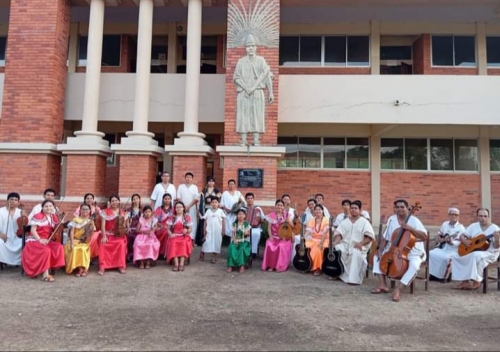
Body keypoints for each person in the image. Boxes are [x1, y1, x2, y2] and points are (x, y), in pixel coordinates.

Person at [371, 199, 427, 302]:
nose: (400, 209)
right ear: (395, 209)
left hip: (413, 251)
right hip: (395, 249)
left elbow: (424, 237)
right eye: (397, 207)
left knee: (414, 265)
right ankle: (383, 284)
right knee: (376, 257)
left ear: (407, 208)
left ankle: (398, 289)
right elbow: (386, 237)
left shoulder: (414, 220)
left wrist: (410, 228)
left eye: (402, 207)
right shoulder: (392, 219)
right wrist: (380, 250)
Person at [233, 34, 274, 147]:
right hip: (244, 93)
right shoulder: (241, 62)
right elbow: (236, 78)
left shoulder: (261, 61)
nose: (250, 48)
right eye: (248, 46)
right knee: (243, 115)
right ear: (245, 48)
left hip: (257, 92)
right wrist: (247, 88)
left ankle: (256, 140)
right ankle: (243, 140)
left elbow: (267, 76)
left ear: (256, 47)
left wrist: (270, 92)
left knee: (257, 114)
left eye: (252, 46)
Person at [452, 208, 500, 290]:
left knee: (475, 255)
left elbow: (496, 246)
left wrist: (497, 239)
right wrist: (465, 241)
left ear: (488, 217)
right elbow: (462, 235)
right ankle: (465, 281)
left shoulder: (495, 229)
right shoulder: (473, 226)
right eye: (481, 216)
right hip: (474, 250)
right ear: (477, 216)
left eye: (485, 216)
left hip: (490, 252)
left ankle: (477, 280)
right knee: (456, 256)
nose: (483, 218)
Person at [332, 200, 375, 285]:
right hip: (345, 245)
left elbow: (369, 237)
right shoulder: (345, 221)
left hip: (359, 245)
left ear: (360, 210)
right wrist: (334, 244)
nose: (353, 210)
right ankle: (338, 273)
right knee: (337, 249)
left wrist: (361, 243)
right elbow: (339, 235)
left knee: (355, 252)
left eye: (355, 208)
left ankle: (353, 279)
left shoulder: (364, 222)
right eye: (351, 208)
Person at [22, 200, 65, 282]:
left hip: (46, 240)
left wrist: (60, 223)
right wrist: (40, 239)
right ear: (42, 207)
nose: (48, 208)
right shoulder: (38, 216)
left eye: (50, 206)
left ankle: (51, 267)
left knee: (59, 247)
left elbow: (55, 230)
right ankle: (45, 274)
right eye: (46, 206)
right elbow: (33, 230)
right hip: (35, 240)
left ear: (53, 207)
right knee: (46, 250)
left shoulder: (54, 216)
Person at [428, 208, 465, 281]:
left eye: (456, 215)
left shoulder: (461, 228)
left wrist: (451, 242)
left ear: (458, 216)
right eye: (452, 214)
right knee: (431, 253)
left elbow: (460, 242)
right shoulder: (445, 224)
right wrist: (438, 238)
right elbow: (440, 233)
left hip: (454, 250)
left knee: (446, 258)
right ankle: (433, 274)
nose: (454, 216)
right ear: (449, 215)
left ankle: (444, 277)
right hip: (444, 248)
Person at [98, 195, 128, 276]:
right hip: (107, 234)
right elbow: (102, 226)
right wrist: (104, 236)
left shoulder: (122, 212)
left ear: (119, 201)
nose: (114, 202)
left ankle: (120, 265)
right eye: (112, 201)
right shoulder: (105, 212)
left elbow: (124, 226)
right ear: (110, 203)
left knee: (121, 244)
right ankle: (103, 266)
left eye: (116, 200)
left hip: (118, 235)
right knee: (103, 244)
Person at [261, 199, 294, 272]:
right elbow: (269, 228)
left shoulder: (286, 215)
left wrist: (288, 221)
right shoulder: (271, 215)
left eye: (281, 205)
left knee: (281, 246)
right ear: (275, 206)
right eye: (278, 205)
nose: (279, 206)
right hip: (274, 236)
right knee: (269, 244)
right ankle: (271, 265)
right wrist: (271, 236)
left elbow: (292, 226)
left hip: (284, 237)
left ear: (283, 207)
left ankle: (279, 266)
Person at [65, 203, 95, 277]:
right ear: (80, 210)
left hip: (84, 241)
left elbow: (90, 234)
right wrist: (72, 242)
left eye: (87, 209)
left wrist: (87, 240)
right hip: (74, 240)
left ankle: (85, 268)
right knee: (75, 248)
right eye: (83, 209)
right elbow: (71, 232)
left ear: (89, 211)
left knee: (83, 249)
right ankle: (80, 268)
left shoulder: (90, 221)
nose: (85, 210)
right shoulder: (75, 219)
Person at [73, 193, 101, 259]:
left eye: (91, 198)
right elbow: (76, 219)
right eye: (87, 198)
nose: (89, 200)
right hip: (82, 229)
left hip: (94, 229)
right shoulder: (80, 208)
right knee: (88, 238)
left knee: (94, 237)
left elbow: (101, 219)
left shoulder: (97, 208)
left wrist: (97, 214)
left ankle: (90, 256)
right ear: (85, 200)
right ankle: (86, 256)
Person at [166, 201, 193, 272]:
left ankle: (181, 263)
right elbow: (168, 229)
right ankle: (176, 263)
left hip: (184, 236)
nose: (179, 209)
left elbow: (190, 229)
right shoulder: (172, 217)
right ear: (174, 209)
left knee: (184, 243)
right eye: (177, 207)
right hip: (174, 235)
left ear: (183, 208)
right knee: (173, 242)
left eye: (180, 207)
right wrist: (171, 234)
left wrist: (187, 231)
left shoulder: (186, 217)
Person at [305, 204, 330, 276]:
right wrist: (303, 237)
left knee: (318, 249)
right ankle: (307, 266)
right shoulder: (312, 220)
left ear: (322, 211)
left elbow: (325, 233)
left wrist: (321, 243)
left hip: (324, 240)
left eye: (319, 209)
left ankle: (318, 268)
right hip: (313, 239)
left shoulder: (326, 220)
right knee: (305, 246)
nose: (318, 211)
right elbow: (308, 231)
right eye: (316, 209)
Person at [197, 176, 221, 247]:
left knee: (212, 224)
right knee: (204, 224)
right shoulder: (204, 190)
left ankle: (213, 241)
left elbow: (219, 200)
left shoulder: (217, 191)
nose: (211, 183)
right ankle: (202, 240)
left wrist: (213, 201)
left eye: (212, 181)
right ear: (207, 182)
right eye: (209, 181)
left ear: (214, 183)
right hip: (205, 209)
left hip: (213, 209)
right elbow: (200, 200)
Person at [200, 197, 226, 264]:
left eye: (216, 202)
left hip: (218, 230)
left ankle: (214, 256)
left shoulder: (221, 211)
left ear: (218, 203)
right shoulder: (208, 211)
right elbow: (205, 221)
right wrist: (204, 229)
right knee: (207, 242)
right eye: (213, 202)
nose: (214, 204)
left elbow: (223, 220)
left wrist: (223, 229)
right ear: (210, 203)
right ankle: (202, 252)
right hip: (209, 229)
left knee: (216, 243)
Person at [0, 192, 23, 266]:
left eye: (16, 200)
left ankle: (19, 263)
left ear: (18, 202)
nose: (13, 201)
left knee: (24, 242)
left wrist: (24, 217)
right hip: (4, 237)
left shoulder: (20, 212)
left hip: (16, 238)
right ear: (7, 201)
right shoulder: (1, 211)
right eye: (11, 199)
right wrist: (0, 234)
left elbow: (25, 227)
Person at [226, 208, 251, 274]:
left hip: (244, 241)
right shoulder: (234, 224)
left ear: (245, 216)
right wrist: (234, 240)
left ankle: (241, 265)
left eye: (242, 214)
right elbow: (233, 234)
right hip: (236, 240)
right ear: (237, 215)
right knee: (232, 247)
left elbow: (248, 234)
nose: (241, 216)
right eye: (239, 214)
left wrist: (246, 233)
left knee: (242, 248)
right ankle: (230, 265)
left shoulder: (246, 224)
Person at [177, 172, 199, 243]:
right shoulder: (181, 186)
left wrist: (188, 206)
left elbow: (196, 198)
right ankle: (182, 237)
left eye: (190, 177)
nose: (188, 178)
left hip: (191, 208)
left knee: (192, 222)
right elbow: (178, 197)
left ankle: (191, 239)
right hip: (181, 208)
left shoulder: (195, 187)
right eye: (187, 177)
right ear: (185, 178)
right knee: (182, 221)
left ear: (192, 179)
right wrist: (183, 206)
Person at [154, 193, 174, 257]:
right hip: (160, 226)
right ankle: (160, 252)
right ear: (163, 200)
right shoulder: (159, 209)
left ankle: (166, 253)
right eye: (165, 199)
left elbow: (175, 220)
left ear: (171, 200)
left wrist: (169, 226)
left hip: (171, 227)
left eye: (168, 199)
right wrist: (161, 225)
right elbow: (154, 220)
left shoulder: (173, 209)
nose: (167, 200)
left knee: (167, 232)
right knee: (161, 232)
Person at [245, 192, 264, 257]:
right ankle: (246, 251)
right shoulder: (243, 208)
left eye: (251, 198)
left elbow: (263, 218)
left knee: (256, 234)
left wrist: (260, 220)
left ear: (253, 199)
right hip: (245, 227)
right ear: (245, 199)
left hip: (256, 227)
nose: (249, 200)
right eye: (248, 198)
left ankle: (253, 252)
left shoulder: (258, 208)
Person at [125, 194, 141, 263]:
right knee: (129, 236)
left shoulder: (142, 209)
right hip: (131, 228)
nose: (135, 200)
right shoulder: (129, 210)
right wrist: (128, 227)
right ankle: (130, 255)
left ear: (139, 200)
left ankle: (138, 256)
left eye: (137, 198)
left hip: (139, 229)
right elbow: (127, 220)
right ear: (132, 201)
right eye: (134, 199)